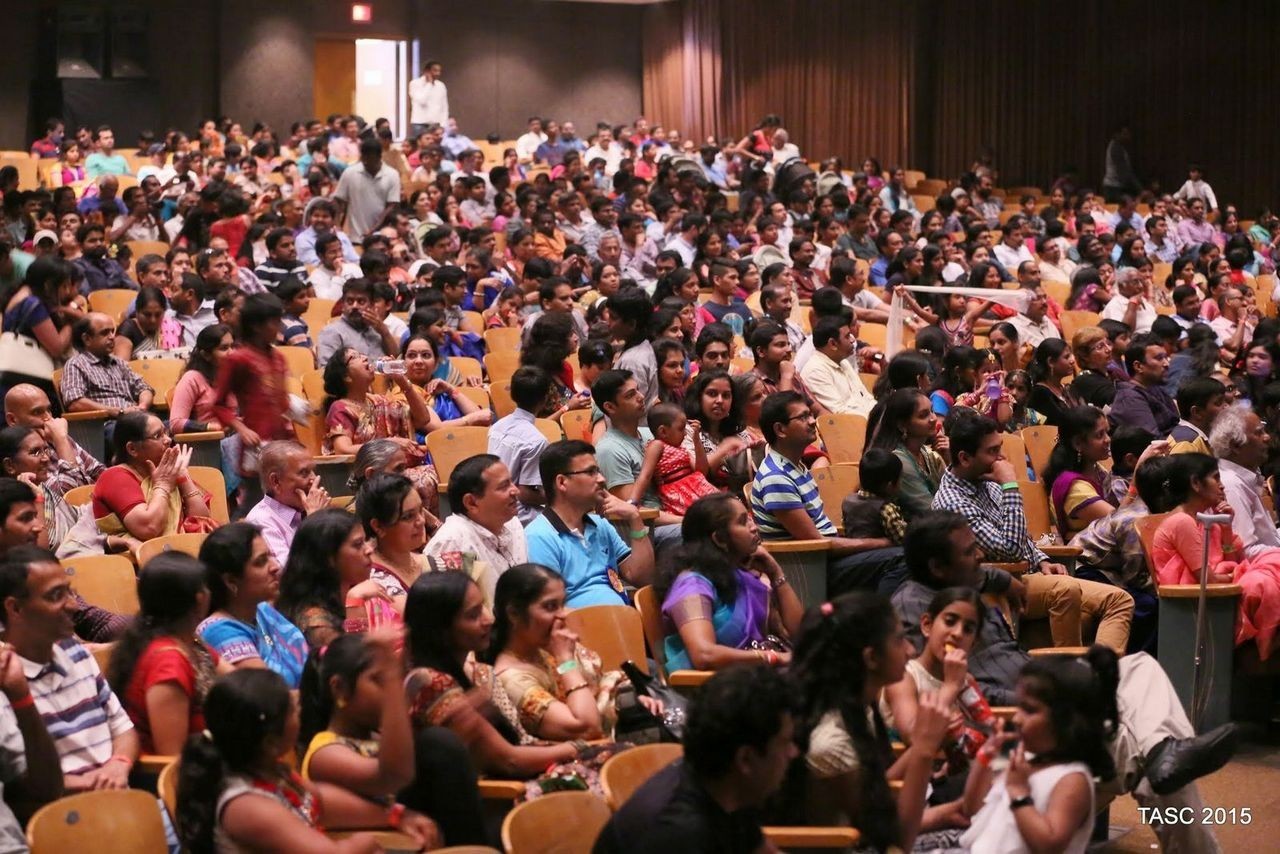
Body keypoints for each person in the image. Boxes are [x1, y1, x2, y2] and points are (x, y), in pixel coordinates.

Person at [892, 511, 1237, 852]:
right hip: (1013, 728)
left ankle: (1164, 751)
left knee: (1138, 668)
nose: (980, 555)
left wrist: (1007, 582)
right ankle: (1163, 756)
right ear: (937, 568)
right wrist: (1052, 697)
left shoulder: (958, 583)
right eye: (969, 552)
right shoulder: (919, 612)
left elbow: (984, 574)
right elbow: (956, 693)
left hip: (1038, 693)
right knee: (1132, 746)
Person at [932, 413, 1135, 652]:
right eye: (992, 451)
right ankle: (1072, 678)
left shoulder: (986, 483)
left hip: (1028, 574)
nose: (1002, 458)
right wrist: (1009, 485)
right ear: (964, 458)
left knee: (1120, 600)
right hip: (995, 583)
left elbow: (1021, 537)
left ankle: (1101, 676)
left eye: (1000, 448)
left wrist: (1042, 559)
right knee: (1066, 589)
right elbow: (1010, 551)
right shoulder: (952, 502)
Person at [176, 668, 435, 853]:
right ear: (270, 742)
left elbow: (319, 802)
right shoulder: (246, 805)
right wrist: (364, 843)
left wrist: (397, 816)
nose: (299, 705)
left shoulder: (273, 772)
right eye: (291, 708)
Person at [782, 592, 961, 851]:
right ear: (871, 658)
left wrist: (951, 811)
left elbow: (876, 792)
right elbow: (893, 840)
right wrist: (923, 749)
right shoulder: (830, 741)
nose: (910, 650)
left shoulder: (858, 710)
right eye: (899, 641)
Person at [593, 666, 796, 854]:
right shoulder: (678, 835)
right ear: (746, 759)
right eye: (785, 743)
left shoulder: (727, 786)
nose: (793, 752)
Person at [402, 572, 587, 778]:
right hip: (497, 798)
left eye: (483, 606)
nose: (488, 619)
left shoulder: (483, 674)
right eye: (473, 615)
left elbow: (522, 741)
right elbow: (511, 761)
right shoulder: (429, 682)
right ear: (441, 629)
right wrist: (577, 747)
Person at [1, 545, 139, 792]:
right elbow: (23, 783)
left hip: (119, 799)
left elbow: (124, 729)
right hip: (60, 818)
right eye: (56, 596)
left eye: (70, 592)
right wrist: (94, 784)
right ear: (15, 609)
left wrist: (118, 764)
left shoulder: (76, 653)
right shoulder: (6, 681)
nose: (74, 606)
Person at [958, 647, 1117, 853]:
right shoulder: (1023, 762)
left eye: (1029, 710)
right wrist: (984, 758)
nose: (1016, 718)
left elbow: (1050, 845)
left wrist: (1020, 793)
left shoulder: (1072, 780)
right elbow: (972, 809)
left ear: (1067, 721)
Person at [752, 391, 905, 594]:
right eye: (803, 417)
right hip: (811, 569)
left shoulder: (795, 466)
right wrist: (882, 542)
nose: (813, 421)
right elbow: (815, 543)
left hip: (824, 558)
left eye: (810, 414)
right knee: (902, 557)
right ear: (780, 429)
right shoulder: (776, 478)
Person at [487, 563, 660, 741]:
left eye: (562, 604)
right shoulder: (512, 679)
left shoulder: (547, 646)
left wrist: (633, 700)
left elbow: (604, 683)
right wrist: (565, 660)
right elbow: (586, 728)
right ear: (514, 614)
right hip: (580, 759)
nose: (562, 615)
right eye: (549, 606)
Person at [1153, 453, 1280, 661]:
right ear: (1195, 483)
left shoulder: (1205, 518)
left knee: (1273, 559)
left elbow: (1231, 559)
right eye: (1216, 478)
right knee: (1260, 581)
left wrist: (1227, 528)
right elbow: (1208, 579)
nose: (1222, 486)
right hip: (1197, 603)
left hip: (1221, 594)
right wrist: (1237, 573)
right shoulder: (1181, 521)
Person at [657, 493, 803, 671]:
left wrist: (776, 572)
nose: (754, 527)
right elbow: (704, 656)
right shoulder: (692, 585)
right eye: (743, 522)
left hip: (753, 676)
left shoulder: (741, 577)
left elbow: (798, 634)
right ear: (719, 539)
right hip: (714, 688)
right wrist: (774, 658)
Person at [107, 552, 222, 755]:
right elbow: (172, 759)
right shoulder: (168, 663)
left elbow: (236, 678)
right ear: (200, 599)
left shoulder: (189, 642)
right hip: (176, 778)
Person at [525, 439, 654, 607]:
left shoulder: (600, 525)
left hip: (622, 622)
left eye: (598, 471)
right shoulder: (539, 536)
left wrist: (635, 518)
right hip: (581, 629)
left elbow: (642, 578)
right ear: (562, 482)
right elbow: (549, 608)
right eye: (591, 472)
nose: (601, 479)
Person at [197, 522, 309, 689]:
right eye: (261, 561)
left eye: (270, 556)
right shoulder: (219, 631)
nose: (275, 567)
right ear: (230, 581)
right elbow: (271, 696)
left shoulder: (261, 611)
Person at [212, 293, 295, 503]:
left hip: (282, 443)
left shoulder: (279, 358)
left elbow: (281, 400)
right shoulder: (238, 359)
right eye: (275, 322)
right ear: (257, 326)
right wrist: (242, 429)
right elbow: (218, 404)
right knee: (257, 505)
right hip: (256, 446)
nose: (280, 327)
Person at [423, 454, 528, 606]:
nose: (516, 491)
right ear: (471, 502)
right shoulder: (454, 543)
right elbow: (448, 616)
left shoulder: (513, 524)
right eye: (504, 486)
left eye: (511, 482)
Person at [92, 412, 213, 541]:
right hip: (133, 559)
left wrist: (183, 475)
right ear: (132, 449)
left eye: (166, 433)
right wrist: (162, 485)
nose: (168, 440)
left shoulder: (167, 471)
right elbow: (149, 528)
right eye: (158, 436)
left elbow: (202, 521)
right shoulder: (115, 477)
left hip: (178, 553)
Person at [1, 256, 80, 405]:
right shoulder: (33, 304)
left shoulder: (21, 293)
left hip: (19, 380)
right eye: (63, 286)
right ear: (49, 285)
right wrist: (70, 324)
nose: (67, 291)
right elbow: (57, 348)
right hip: (25, 383)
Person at [243, 441, 330, 567]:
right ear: (276, 481)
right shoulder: (261, 522)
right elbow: (288, 576)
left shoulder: (308, 510)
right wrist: (314, 521)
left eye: (313, 471)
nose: (315, 479)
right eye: (304, 473)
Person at [488, 365, 556, 526]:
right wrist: (559, 496)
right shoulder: (536, 441)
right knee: (569, 518)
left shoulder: (496, 426)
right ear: (545, 398)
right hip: (518, 513)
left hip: (492, 504)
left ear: (513, 394)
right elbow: (524, 493)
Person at [867, 388, 947, 521]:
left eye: (932, 411)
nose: (933, 419)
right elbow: (931, 510)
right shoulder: (898, 461)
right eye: (923, 415)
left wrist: (949, 459)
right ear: (902, 425)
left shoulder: (925, 453)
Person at [1212, 403, 1280, 557]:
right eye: (1259, 433)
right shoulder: (1230, 485)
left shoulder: (1241, 477)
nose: (1267, 437)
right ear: (1236, 446)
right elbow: (1245, 552)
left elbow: (1269, 538)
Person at [60, 312, 154, 416]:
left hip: (133, 419)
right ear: (87, 339)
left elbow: (144, 388)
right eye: (105, 333)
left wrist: (142, 406)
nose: (112, 337)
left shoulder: (119, 363)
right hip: (103, 425)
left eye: (112, 331)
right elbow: (75, 403)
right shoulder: (76, 365)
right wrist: (118, 412)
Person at [399, 334, 491, 430]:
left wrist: (450, 389)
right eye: (412, 355)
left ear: (436, 363)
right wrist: (469, 420)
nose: (418, 361)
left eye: (426, 355)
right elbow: (436, 429)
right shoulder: (402, 394)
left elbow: (481, 418)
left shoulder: (441, 390)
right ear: (403, 362)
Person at [798, 317, 875, 417]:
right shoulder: (815, 372)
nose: (853, 340)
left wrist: (880, 415)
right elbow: (840, 414)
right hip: (850, 428)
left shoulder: (843, 362)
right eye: (847, 336)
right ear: (833, 344)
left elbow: (866, 397)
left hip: (868, 421)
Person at [317, 279, 398, 367]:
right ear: (343, 305)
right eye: (350, 301)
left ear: (372, 305)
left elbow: (395, 359)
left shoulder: (378, 330)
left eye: (361, 301)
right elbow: (325, 371)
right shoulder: (332, 332)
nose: (355, 306)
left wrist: (384, 332)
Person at [169, 324, 234, 433]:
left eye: (232, 346)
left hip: (236, 437)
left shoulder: (234, 377)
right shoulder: (192, 379)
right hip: (208, 442)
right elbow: (175, 424)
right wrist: (212, 427)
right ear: (206, 355)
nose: (232, 353)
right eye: (224, 348)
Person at [1111, 335, 1179, 437]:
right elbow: (1153, 442)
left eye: (1166, 357)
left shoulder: (1155, 388)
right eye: (1159, 358)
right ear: (1138, 366)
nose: (1167, 364)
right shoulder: (1130, 398)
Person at [840, 447, 908, 545]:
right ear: (890, 485)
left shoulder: (847, 501)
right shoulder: (886, 508)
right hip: (881, 554)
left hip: (853, 552)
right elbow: (902, 538)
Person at [1169, 376, 1227, 455]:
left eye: (1225, 401)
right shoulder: (1186, 444)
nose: (1226, 407)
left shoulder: (1199, 438)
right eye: (1218, 403)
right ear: (1197, 412)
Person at [1026, 338, 1077, 426]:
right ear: (1050, 362)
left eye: (1071, 355)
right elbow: (1043, 427)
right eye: (1066, 357)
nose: (1072, 360)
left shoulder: (1066, 388)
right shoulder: (1038, 395)